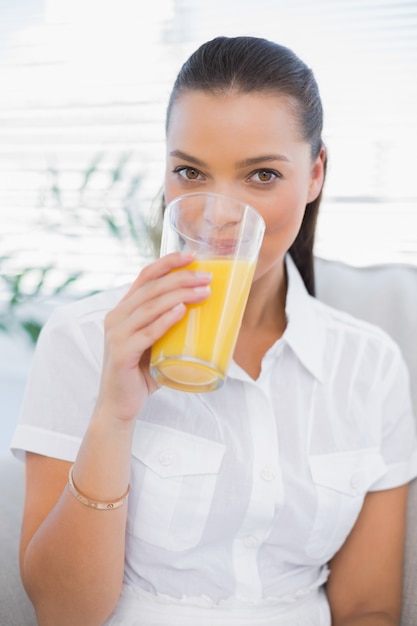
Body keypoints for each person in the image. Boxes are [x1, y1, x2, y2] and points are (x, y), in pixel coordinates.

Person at [12, 35, 417, 626]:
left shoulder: (369, 364)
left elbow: (366, 608)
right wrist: (114, 415)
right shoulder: (85, 338)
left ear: (315, 174)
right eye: (190, 172)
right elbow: (63, 613)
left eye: (261, 175)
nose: (219, 212)